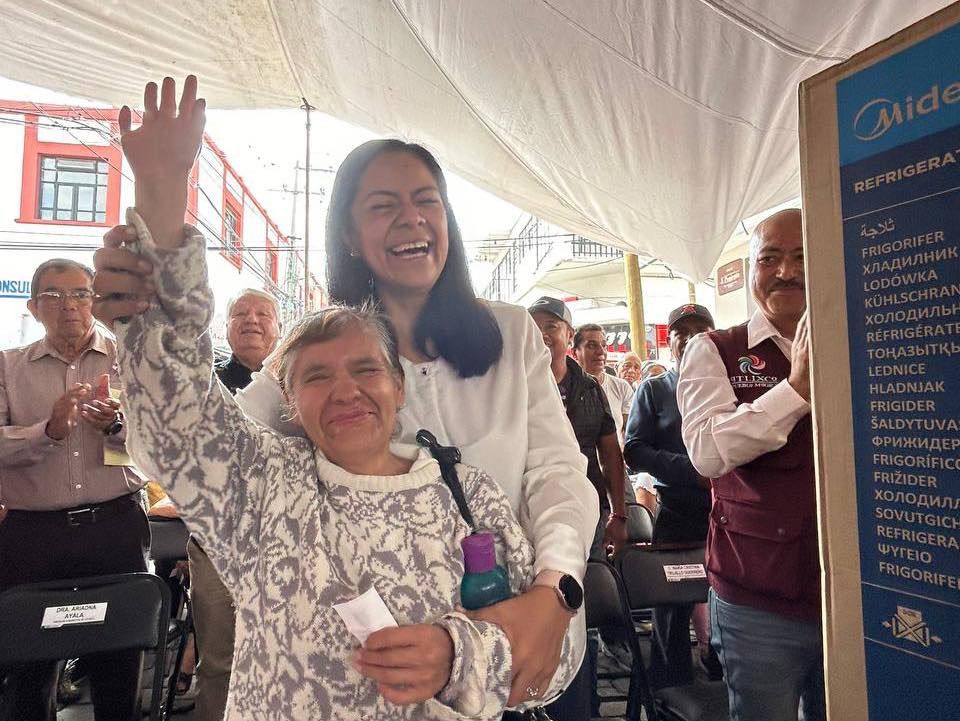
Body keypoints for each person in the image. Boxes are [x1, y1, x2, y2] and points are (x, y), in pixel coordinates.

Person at [91, 75, 597, 718]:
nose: (412, 218)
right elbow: (194, 433)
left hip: (524, 630)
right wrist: (153, 262)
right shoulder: (313, 355)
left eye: (427, 200)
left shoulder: (509, 337)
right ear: (351, 234)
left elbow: (558, 475)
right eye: (383, 204)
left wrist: (553, 593)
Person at [678, 208, 822, 721]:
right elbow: (708, 452)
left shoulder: (861, 340)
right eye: (771, 258)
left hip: (852, 591)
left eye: (803, 256)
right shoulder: (715, 349)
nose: (786, 271)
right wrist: (795, 391)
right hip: (757, 599)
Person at [0, 259, 146, 721]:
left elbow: (164, 444)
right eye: (54, 296)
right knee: (29, 668)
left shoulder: (132, 363)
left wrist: (117, 425)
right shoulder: (8, 367)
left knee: (119, 665)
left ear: (95, 303)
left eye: (81, 294)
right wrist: (50, 429)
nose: (70, 307)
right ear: (34, 307)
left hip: (115, 525)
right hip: (32, 534)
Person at [188, 287, 281, 721]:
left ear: (280, 328)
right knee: (221, 662)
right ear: (225, 327)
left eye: (264, 313)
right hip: (218, 544)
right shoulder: (204, 383)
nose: (252, 320)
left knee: (290, 657)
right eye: (240, 313)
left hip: (286, 539)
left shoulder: (300, 380)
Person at [623, 303, 718, 688]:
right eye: (683, 331)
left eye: (701, 329)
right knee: (673, 606)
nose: (692, 337)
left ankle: (722, 679)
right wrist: (689, 471)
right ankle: (668, 690)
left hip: (727, 513)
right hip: (678, 514)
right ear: (670, 340)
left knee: (728, 600)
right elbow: (634, 450)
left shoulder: (727, 382)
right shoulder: (655, 389)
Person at [527, 299, 627, 561]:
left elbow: (610, 454)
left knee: (591, 586)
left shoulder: (591, 389)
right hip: (530, 513)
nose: (542, 335)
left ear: (569, 335)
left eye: (551, 326)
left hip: (588, 511)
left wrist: (618, 514)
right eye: (534, 328)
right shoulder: (513, 388)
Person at [572, 324, 634, 443]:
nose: (601, 351)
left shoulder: (622, 387)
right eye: (591, 346)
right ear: (575, 352)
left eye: (604, 346)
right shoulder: (567, 388)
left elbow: (630, 432)